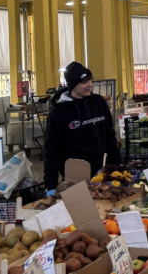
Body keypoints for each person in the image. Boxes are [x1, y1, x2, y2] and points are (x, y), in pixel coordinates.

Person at [43, 62, 123, 197]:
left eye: (90, 80)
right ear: (73, 84)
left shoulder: (99, 103)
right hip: (74, 178)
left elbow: (110, 137)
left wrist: (119, 167)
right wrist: (50, 185)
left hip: (102, 175)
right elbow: (52, 150)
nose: (90, 85)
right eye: (84, 82)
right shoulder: (58, 113)